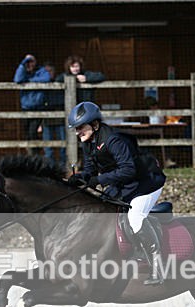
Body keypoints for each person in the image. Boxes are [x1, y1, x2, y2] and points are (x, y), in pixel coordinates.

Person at [67, 101, 166, 285]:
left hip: (147, 183)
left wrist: (97, 181)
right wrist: (81, 177)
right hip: (126, 184)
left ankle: (157, 267)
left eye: (80, 127)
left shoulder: (114, 140)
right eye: (75, 128)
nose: (77, 132)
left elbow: (128, 170)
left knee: (135, 218)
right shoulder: (88, 142)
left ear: (94, 125)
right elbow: (90, 168)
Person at [13, 54, 51, 155]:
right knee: (27, 133)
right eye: (27, 62)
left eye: (31, 62)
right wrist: (22, 64)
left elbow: (46, 79)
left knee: (32, 132)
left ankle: (35, 155)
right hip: (25, 108)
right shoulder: (23, 72)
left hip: (38, 107)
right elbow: (17, 79)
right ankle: (32, 154)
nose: (29, 64)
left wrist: (30, 81)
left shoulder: (41, 71)